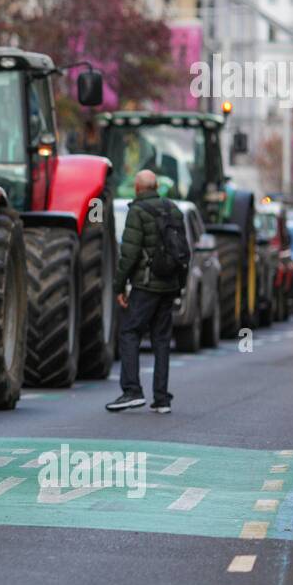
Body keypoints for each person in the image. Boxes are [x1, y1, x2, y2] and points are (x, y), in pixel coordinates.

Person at [107, 169, 183, 414]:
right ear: (157, 186)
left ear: (138, 189)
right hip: (169, 285)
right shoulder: (174, 209)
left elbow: (128, 254)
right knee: (161, 340)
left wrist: (119, 286)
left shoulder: (137, 211)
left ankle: (132, 391)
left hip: (145, 285)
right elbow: (183, 251)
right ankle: (162, 399)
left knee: (129, 333)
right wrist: (179, 284)